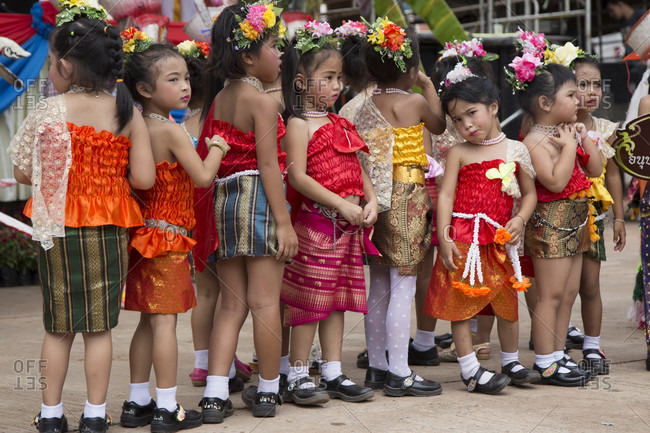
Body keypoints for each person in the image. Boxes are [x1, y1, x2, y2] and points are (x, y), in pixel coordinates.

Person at [9, 4, 156, 433]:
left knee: (58, 328)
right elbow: (144, 179)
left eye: (52, 63)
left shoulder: (48, 112)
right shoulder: (127, 113)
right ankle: (95, 415)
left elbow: (22, 172)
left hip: (56, 228)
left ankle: (51, 415)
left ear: (66, 65)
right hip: (108, 227)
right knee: (98, 328)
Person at [120, 36, 229, 431]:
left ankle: (137, 402)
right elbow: (202, 176)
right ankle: (167, 408)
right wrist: (216, 146)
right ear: (145, 89)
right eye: (173, 79)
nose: (185, 86)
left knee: (148, 323)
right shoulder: (169, 130)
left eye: (186, 77)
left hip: (142, 238)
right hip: (167, 241)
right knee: (165, 324)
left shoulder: (135, 126)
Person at [198, 2, 298, 422]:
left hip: (225, 204)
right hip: (258, 203)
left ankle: (215, 393)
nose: (281, 56)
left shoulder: (220, 98)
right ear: (247, 56)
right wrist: (283, 222)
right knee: (264, 302)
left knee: (230, 304)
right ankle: (268, 390)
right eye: (274, 46)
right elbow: (270, 165)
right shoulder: (262, 102)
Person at [341, 18, 445, 397]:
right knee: (404, 284)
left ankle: (378, 368)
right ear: (412, 70)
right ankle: (400, 372)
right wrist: (429, 86)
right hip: (407, 196)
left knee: (380, 285)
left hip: (376, 199)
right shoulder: (415, 100)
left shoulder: (364, 105)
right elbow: (438, 125)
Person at [278, 21, 378, 405]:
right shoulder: (298, 124)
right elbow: (297, 177)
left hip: (348, 229)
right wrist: (339, 204)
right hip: (317, 226)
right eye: (328, 77)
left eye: (339, 78)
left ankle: (333, 371)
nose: (337, 85)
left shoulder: (341, 122)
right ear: (301, 82)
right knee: (308, 302)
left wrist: (369, 201)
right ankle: (299, 373)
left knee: (337, 300)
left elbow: (359, 168)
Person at [426, 56, 539, 394]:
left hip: (500, 238)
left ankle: (510, 360)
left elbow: (530, 195)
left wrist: (520, 219)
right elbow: (445, 196)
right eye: (457, 120)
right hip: (464, 237)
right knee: (460, 304)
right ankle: (470, 369)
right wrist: (445, 237)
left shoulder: (516, 150)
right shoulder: (459, 152)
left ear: (492, 107)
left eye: (471, 114)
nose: (466, 125)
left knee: (506, 301)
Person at [506, 31, 603, 386]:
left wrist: (584, 139)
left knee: (569, 293)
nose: (580, 99)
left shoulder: (566, 131)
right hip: (550, 225)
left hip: (576, 222)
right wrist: (566, 147)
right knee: (549, 295)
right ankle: (546, 360)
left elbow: (594, 170)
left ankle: (559, 353)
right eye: (571, 94)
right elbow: (556, 183)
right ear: (545, 103)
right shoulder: (534, 140)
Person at [574, 55, 627, 375]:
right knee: (560, 286)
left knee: (589, 284)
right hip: (559, 210)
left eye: (596, 85)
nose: (592, 91)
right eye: (582, 84)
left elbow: (613, 175)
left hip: (592, 214)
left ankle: (592, 345)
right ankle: (556, 341)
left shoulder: (606, 129)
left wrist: (619, 217)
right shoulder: (556, 126)